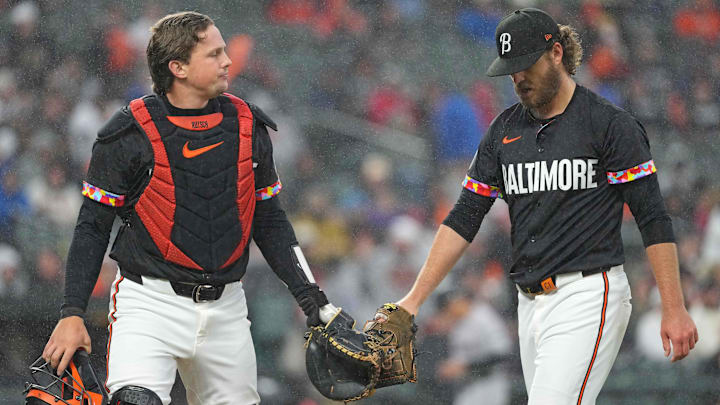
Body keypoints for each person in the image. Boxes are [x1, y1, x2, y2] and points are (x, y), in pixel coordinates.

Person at [392, 8, 698, 405]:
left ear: (556, 53)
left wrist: (673, 307)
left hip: (588, 292)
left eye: (525, 64)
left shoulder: (608, 125)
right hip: (529, 303)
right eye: (510, 69)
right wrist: (412, 300)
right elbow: (464, 217)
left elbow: (653, 218)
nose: (517, 77)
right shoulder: (503, 130)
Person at [41, 11, 335, 405]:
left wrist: (313, 300)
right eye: (214, 54)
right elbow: (92, 227)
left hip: (227, 308)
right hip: (149, 303)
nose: (227, 61)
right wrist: (72, 312)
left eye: (224, 51)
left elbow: (269, 220)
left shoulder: (248, 126)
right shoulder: (129, 132)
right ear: (177, 67)